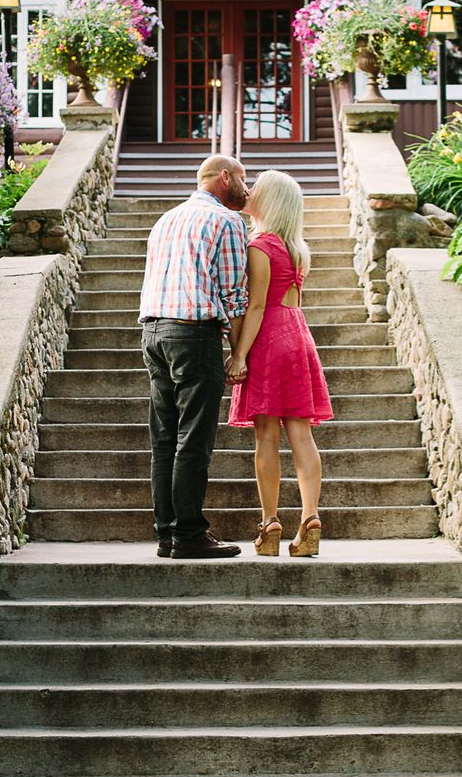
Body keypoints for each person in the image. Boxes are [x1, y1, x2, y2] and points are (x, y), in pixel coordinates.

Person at [138, 152, 252, 559]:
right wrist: (239, 353)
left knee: (165, 440)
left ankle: (167, 535)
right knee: (193, 440)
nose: (247, 187)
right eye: (243, 178)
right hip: (192, 334)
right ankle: (188, 534)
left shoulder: (165, 220)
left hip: (153, 333)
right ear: (225, 177)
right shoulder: (226, 221)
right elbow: (234, 296)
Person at [227, 169, 333, 556]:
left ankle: (270, 522)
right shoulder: (296, 248)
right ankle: (310, 519)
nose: (248, 190)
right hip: (298, 334)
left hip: (270, 336)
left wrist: (239, 354)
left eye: (256, 188)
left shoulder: (260, 246)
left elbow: (256, 305)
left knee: (267, 437)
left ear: (269, 201)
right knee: (302, 434)